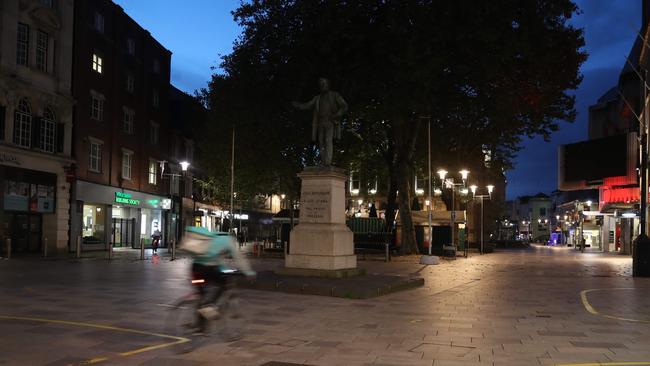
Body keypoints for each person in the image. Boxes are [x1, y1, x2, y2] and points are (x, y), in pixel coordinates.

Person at [184, 226, 256, 333]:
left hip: (196, 269)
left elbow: (218, 260)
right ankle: (209, 307)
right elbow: (239, 258)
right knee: (222, 284)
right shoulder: (228, 241)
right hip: (209, 269)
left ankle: (200, 325)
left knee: (201, 295)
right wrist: (248, 271)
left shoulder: (210, 236)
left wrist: (224, 268)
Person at [292, 77, 348, 166]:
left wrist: (337, 114)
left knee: (328, 140)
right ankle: (323, 162)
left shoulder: (334, 95)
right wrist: (298, 105)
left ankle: (327, 163)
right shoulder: (318, 98)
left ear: (328, 84)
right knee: (321, 142)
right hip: (320, 122)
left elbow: (344, 106)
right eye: (321, 83)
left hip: (330, 121)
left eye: (324, 83)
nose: (322, 85)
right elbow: (307, 105)